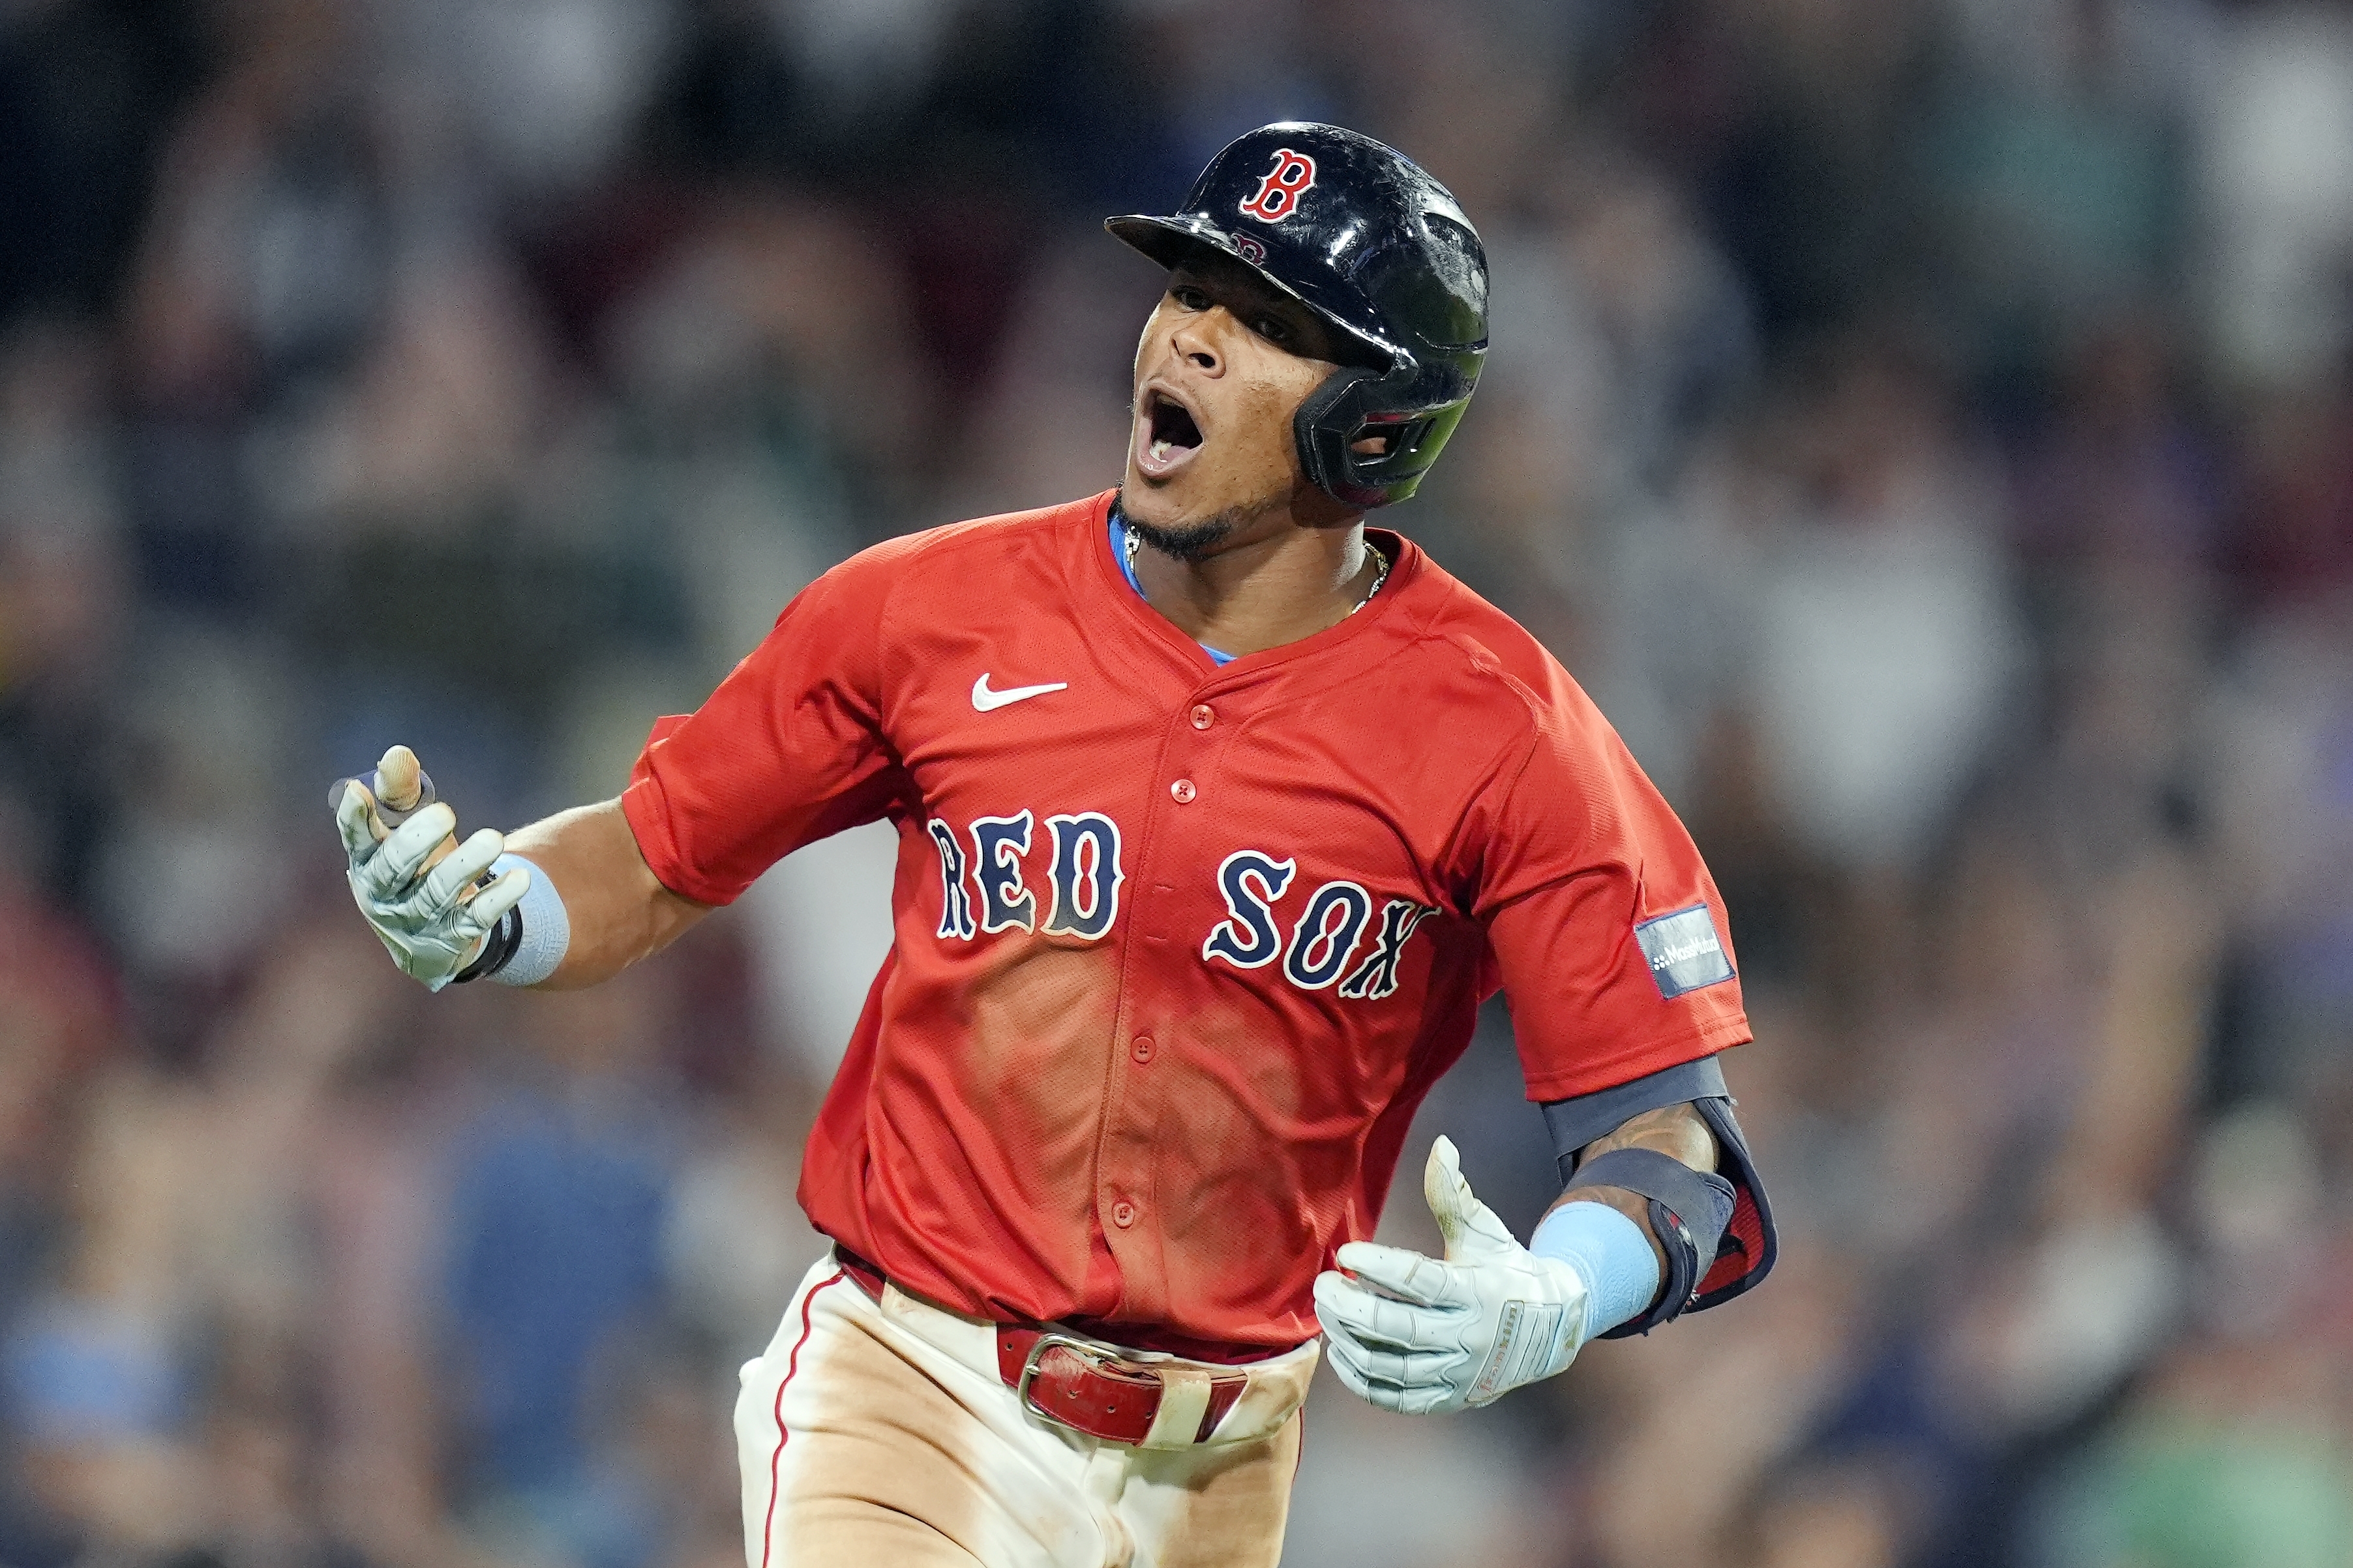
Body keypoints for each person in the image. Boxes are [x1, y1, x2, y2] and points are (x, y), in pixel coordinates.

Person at [332, 122, 1776, 1568]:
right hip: (918, 1386)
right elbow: (657, 852)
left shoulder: (1506, 727)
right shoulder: (923, 610)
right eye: (1192, 294)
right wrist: (495, 910)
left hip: (1228, 1464)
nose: (1195, 341)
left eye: (1266, 323)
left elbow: (1669, 1141)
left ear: (1379, 422)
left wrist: (1556, 1298)